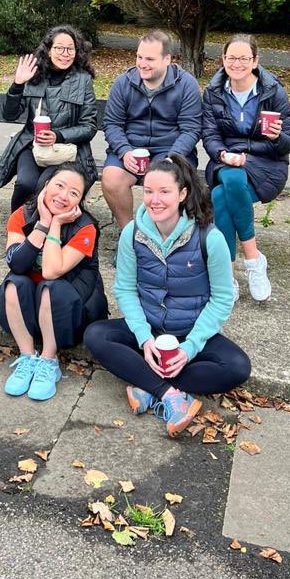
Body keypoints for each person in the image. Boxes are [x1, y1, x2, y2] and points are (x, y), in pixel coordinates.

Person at [84, 155, 250, 436]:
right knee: (95, 335)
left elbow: (222, 298)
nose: (154, 200)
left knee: (237, 367)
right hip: (148, 330)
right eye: (148, 191)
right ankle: (169, 394)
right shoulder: (132, 234)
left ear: (182, 194)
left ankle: (146, 385)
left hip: (189, 332)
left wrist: (189, 349)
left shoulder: (209, 237)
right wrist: (143, 337)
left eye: (164, 192)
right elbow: (124, 288)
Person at [0, 163, 108, 401]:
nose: (64, 196)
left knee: (50, 287)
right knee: (15, 282)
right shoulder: (22, 215)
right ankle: (27, 356)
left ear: (80, 201)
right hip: (31, 308)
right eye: (59, 185)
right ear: (46, 186)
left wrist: (55, 224)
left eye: (74, 193)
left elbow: (52, 270)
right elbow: (16, 263)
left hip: (71, 308)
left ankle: (48, 360)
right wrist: (43, 223)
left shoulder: (85, 227)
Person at [202, 33, 290, 302]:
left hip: (267, 166)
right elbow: (209, 135)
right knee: (229, 181)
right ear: (223, 60)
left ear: (255, 61)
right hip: (226, 162)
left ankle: (234, 269)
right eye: (231, 57)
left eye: (244, 58)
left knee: (220, 195)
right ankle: (250, 262)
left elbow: (289, 143)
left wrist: (276, 137)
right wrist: (222, 153)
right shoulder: (213, 93)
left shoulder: (273, 92)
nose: (237, 63)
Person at [0, 25, 98, 211]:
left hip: (67, 149)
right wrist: (17, 85)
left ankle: (44, 230)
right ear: (48, 50)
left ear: (77, 52)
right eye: (59, 48)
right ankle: (18, 230)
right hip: (32, 145)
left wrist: (58, 135)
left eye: (70, 49)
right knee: (25, 184)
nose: (65, 53)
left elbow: (89, 126)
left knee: (46, 185)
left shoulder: (82, 80)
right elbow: (10, 115)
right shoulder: (35, 75)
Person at [101, 30, 202, 228]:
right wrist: (124, 151)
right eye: (139, 57)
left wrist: (172, 157)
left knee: (164, 182)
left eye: (149, 59)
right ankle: (128, 233)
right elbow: (112, 124)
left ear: (167, 59)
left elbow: (191, 129)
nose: (142, 64)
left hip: (170, 149)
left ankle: (158, 234)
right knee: (112, 179)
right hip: (131, 147)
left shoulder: (186, 84)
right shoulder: (124, 83)